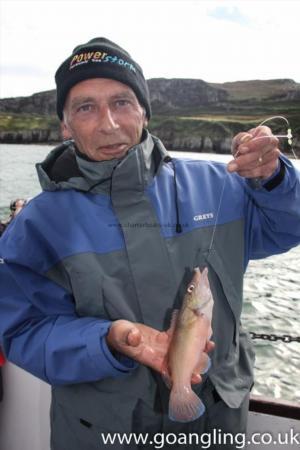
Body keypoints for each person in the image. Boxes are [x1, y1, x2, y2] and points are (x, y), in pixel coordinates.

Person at [0, 37, 299, 450]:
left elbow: (287, 227)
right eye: (86, 107)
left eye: (122, 102)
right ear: (65, 124)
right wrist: (107, 339)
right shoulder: (37, 225)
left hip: (220, 424)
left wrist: (275, 179)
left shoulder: (222, 185)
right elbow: (23, 333)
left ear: (145, 110)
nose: (108, 123)